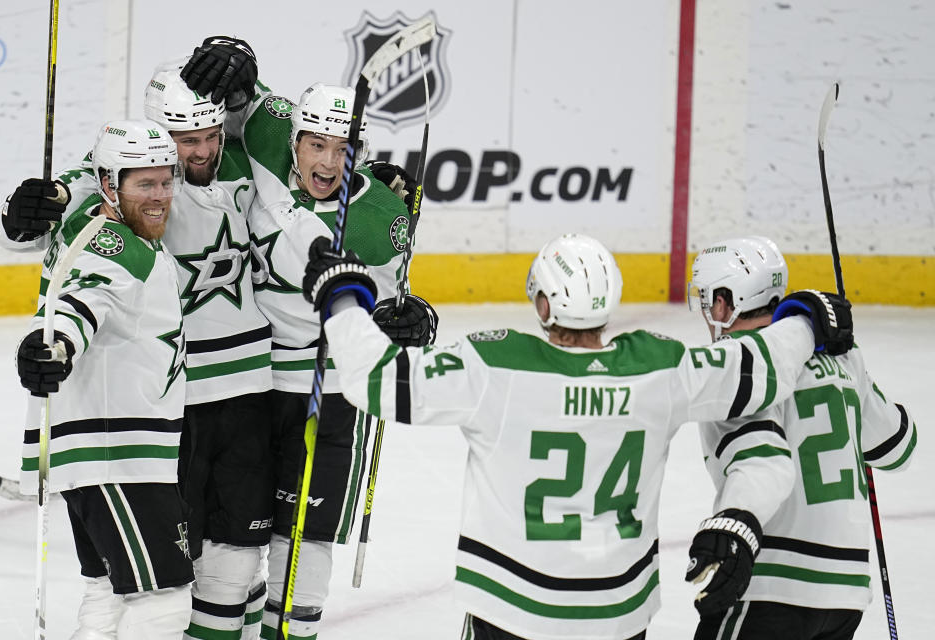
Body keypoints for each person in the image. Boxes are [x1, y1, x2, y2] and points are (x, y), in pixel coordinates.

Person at [296, 232, 854, 640]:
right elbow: (762, 365)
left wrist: (342, 296)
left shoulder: (495, 365)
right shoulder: (659, 368)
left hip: (510, 611)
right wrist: (804, 317)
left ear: (543, 304)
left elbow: (374, 382)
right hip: (616, 616)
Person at [0, 44, 274, 640]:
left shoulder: (236, 162)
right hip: (123, 436)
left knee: (122, 589)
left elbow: (306, 159)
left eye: (209, 134)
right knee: (162, 595)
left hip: (158, 419)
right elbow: (80, 286)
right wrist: (23, 217)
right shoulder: (115, 225)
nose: (198, 154)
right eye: (182, 141)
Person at [208, 76, 434, 639]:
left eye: (345, 148)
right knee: (228, 551)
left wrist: (413, 320)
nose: (330, 162)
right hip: (248, 385)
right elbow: (241, 94)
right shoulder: (265, 147)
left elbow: (386, 308)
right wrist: (235, 61)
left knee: (304, 548)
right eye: (317, 145)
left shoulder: (383, 218)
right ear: (294, 142)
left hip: (327, 397)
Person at [683, 236, 918, 640]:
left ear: (724, 302)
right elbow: (899, 446)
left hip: (773, 584)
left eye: (708, 300)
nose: (707, 313)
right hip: (845, 592)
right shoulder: (841, 355)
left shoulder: (735, 368)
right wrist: (853, 373)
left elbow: (760, 460)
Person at [15, 120, 193, 639]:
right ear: (111, 186)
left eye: (165, 181)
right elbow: (82, 300)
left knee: (108, 590)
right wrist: (55, 345)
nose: (160, 196)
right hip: (116, 450)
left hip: (110, 446)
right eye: (145, 184)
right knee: (162, 598)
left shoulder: (100, 225)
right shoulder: (115, 248)